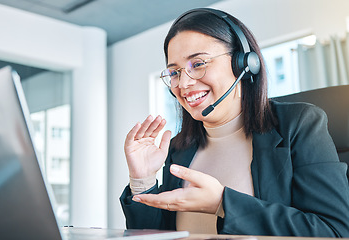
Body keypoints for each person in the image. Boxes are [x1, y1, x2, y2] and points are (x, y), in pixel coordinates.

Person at [120, 8, 349, 237]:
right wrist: (143, 179)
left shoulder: (299, 125)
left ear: (243, 63)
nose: (184, 83)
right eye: (174, 73)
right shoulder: (179, 147)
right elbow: (156, 235)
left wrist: (223, 203)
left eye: (198, 64)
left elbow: (333, 231)